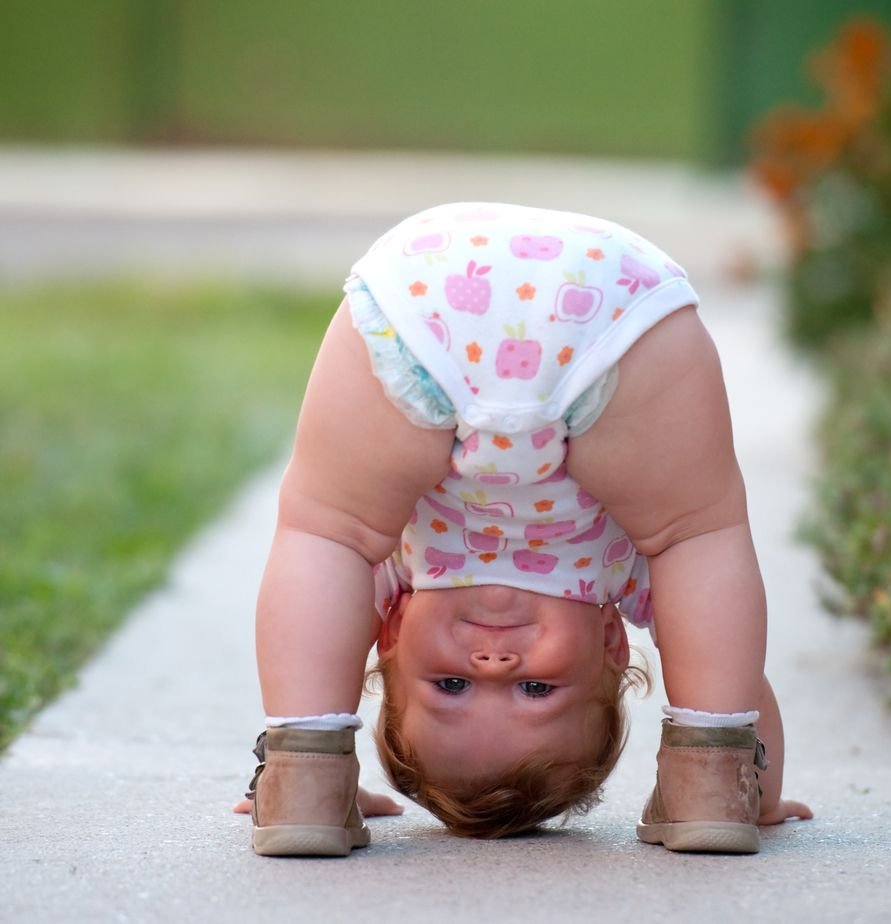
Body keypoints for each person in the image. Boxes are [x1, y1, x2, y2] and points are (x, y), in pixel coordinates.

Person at [244, 202, 812, 857]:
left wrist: (305, 755)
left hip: (428, 306)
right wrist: (761, 793)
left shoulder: (397, 575)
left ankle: (306, 775)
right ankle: (710, 780)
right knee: (691, 536)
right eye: (535, 689)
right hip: (608, 311)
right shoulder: (625, 580)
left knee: (332, 534)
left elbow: (313, 610)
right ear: (611, 643)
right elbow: (730, 666)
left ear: (392, 630)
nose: (493, 663)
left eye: (451, 685)